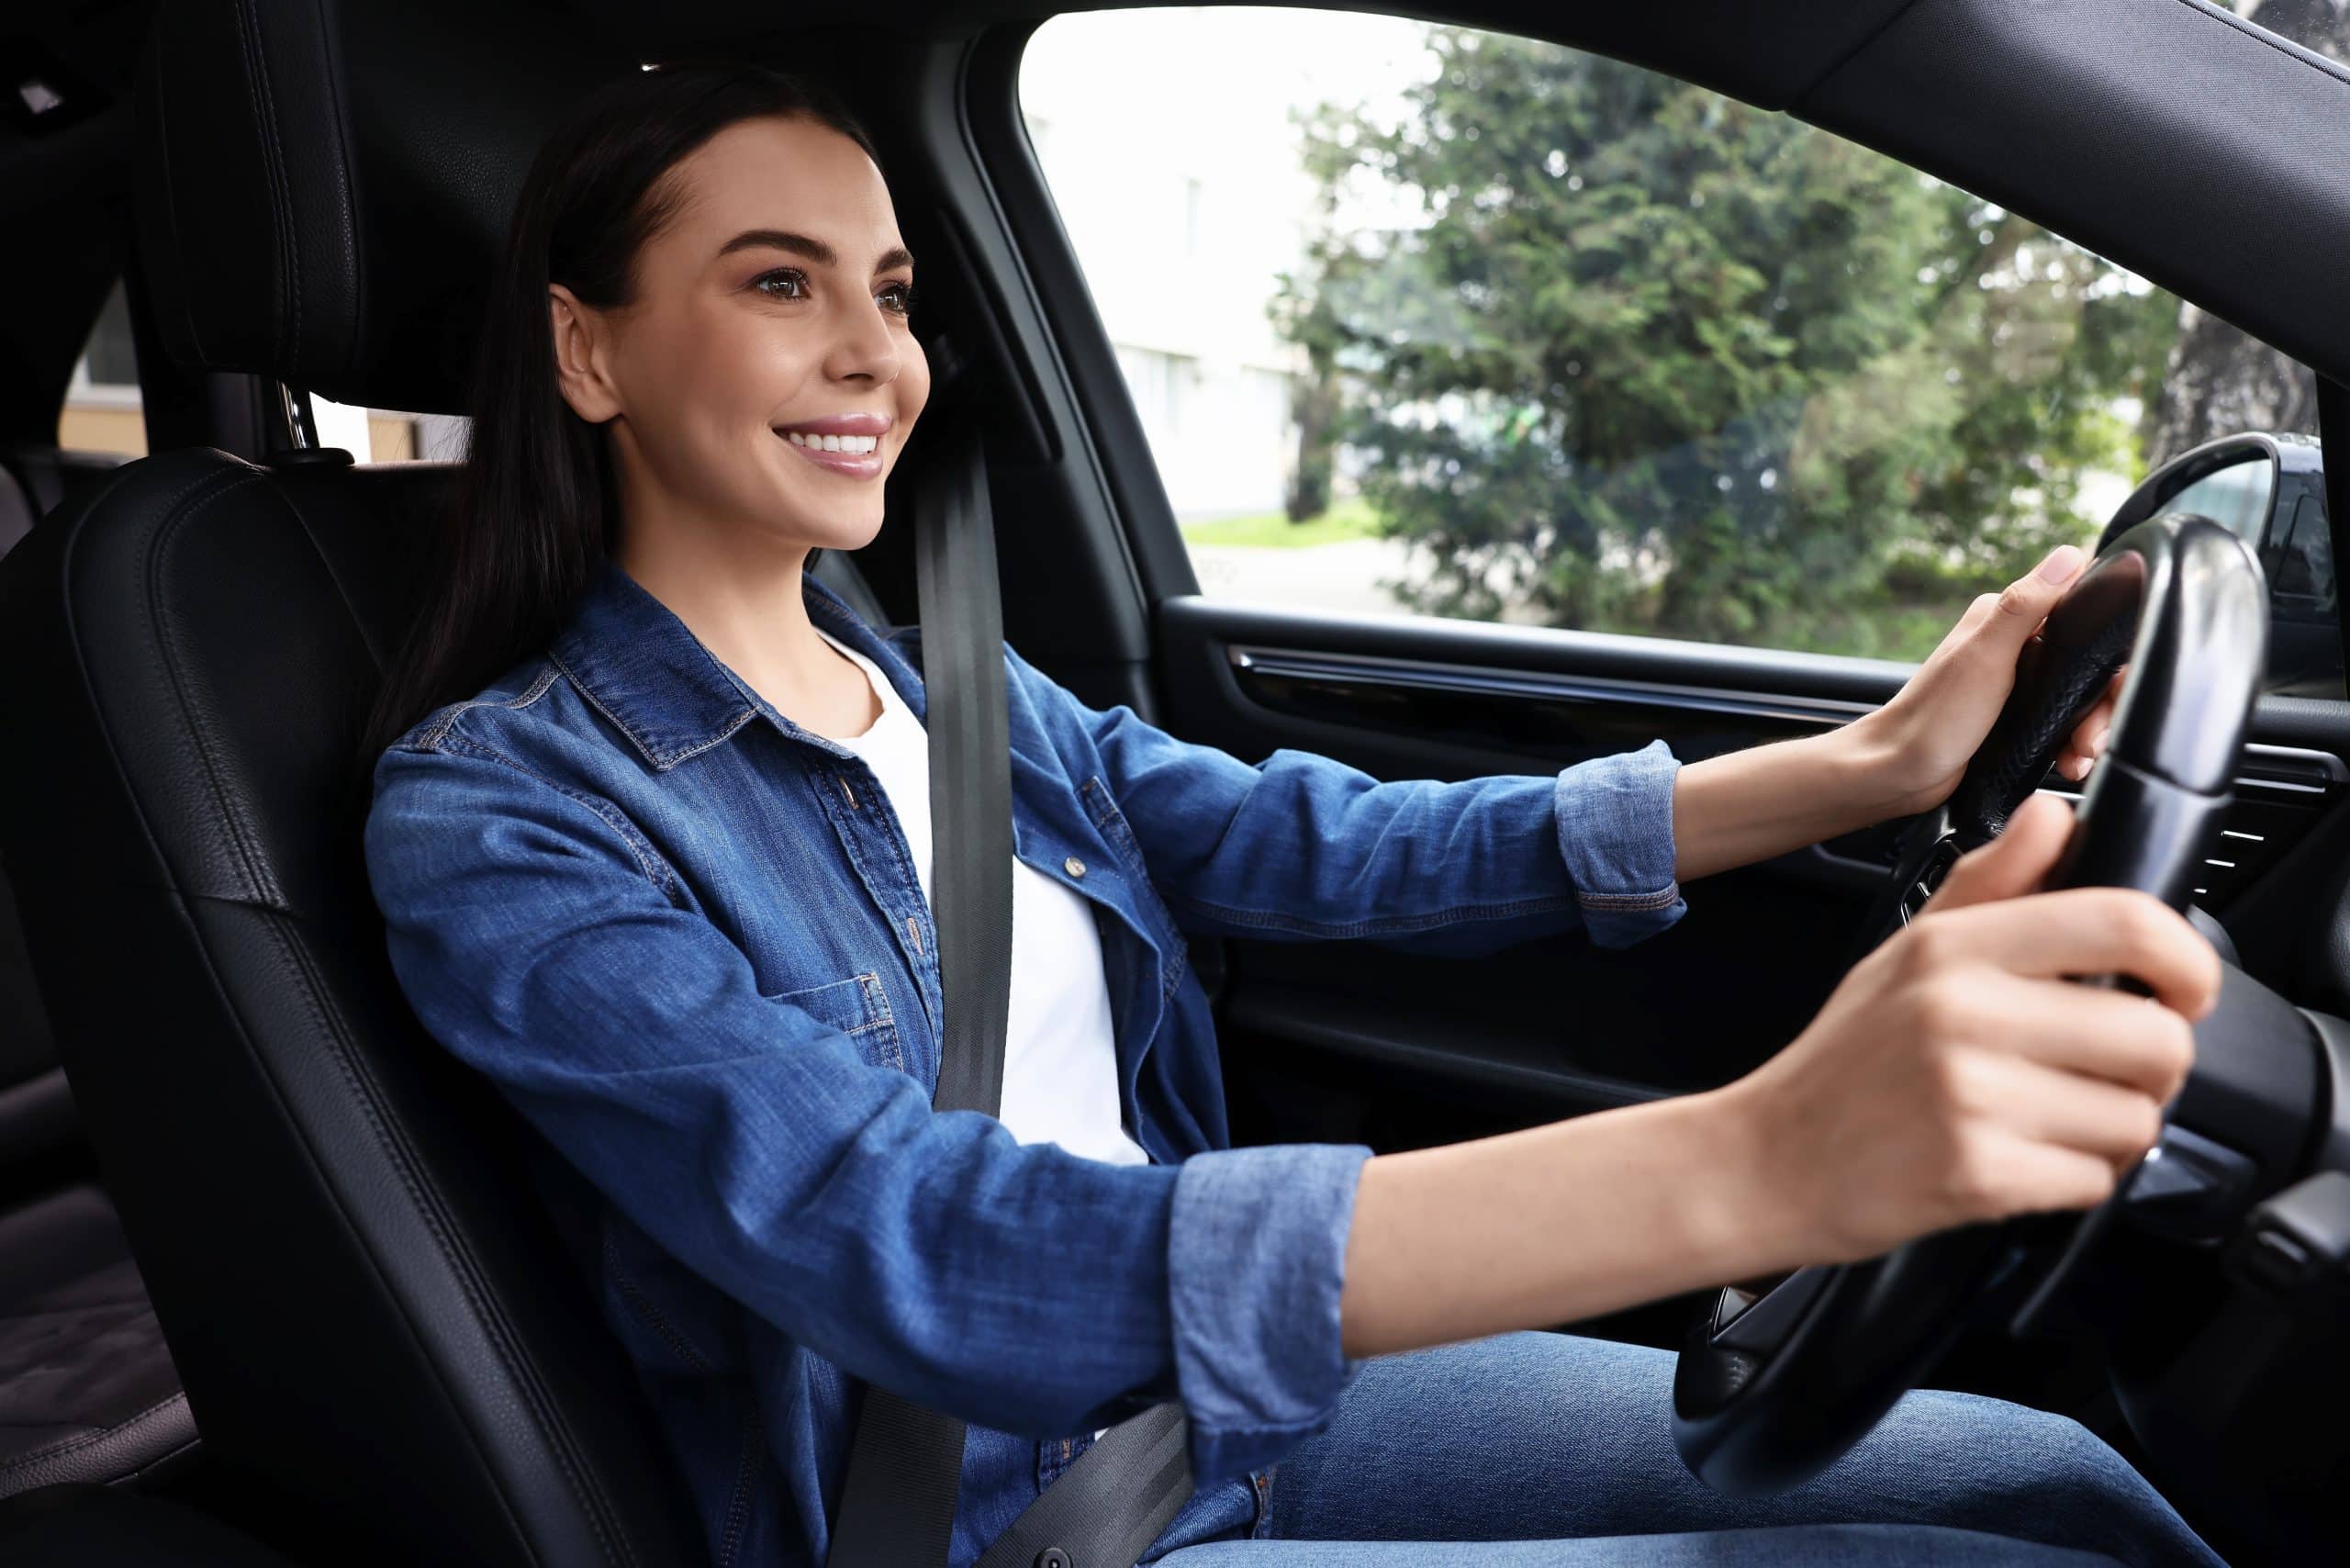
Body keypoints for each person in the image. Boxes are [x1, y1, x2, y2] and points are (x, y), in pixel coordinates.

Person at [357, 61, 2225, 1568]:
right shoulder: (508, 815)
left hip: (1237, 1404)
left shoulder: (953, 689)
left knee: (2041, 1483)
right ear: (586, 351)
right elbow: (912, 1240)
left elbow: (1321, 840)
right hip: (1008, 1516)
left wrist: (1875, 764)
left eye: (893, 290)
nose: (875, 352)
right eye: (781, 282)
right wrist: (1759, 1158)